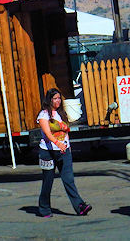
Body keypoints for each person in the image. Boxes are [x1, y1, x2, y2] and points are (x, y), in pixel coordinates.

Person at [36, 88, 92, 218]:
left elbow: (65, 132)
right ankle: (44, 208)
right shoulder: (43, 115)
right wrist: (58, 143)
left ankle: (80, 206)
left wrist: (67, 146)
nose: (58, 101)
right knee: (48, 181)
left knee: (68, 179)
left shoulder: (61, 114)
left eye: (59, 98)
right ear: (49, 100)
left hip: (64, 151)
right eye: (55, 99)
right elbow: (48, 134)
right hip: (48, 152)